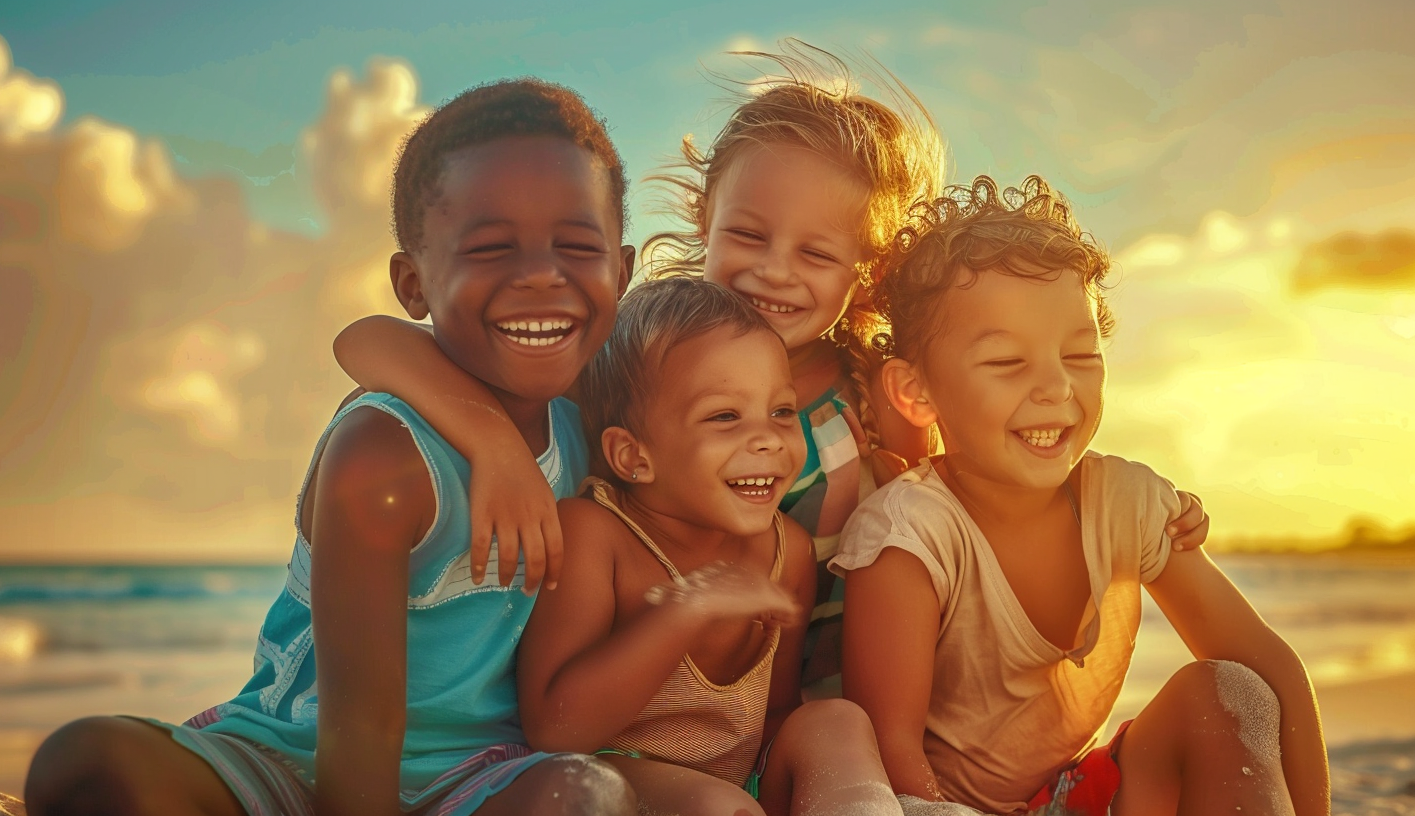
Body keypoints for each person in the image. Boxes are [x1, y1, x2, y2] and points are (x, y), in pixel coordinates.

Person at [328, 42, 1209, 692]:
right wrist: (488, 440)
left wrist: (1138, 511)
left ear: (864, 269)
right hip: (641, 683)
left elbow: (996, 472)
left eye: (817, 255)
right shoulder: (643, 348)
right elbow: (367, 342)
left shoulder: (872, 393)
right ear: (705, 215)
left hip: (819, 689)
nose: (774, 270)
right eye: (747, 235)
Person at [24, 79, 638, 816]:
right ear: (414, 284)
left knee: (590, 797)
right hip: (294, 759)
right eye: (489, 247)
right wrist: (490, 444)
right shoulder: (384, 454)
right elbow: (360, 727)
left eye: (576, 245)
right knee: (88, 763)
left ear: (623, 273)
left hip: (482, 775)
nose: (541, 272)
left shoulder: (591, 423)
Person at [835, 176, 1330, 816]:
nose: (1055, 388)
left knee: (1233, 694)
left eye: (1079, 354)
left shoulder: (1125, 502)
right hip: (940, 809)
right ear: (916, 392)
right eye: (1007, 363)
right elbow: (888, 759)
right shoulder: (908, 535)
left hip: (1076, 796)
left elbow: (1272, 669)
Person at [517, 276, 900, 816]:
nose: (768, 438)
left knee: (835, 720)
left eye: (782, 411)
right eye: (725, 416)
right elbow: (553, 730)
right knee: (716, 805)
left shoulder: (785, 552)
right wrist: (685, 609)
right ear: (633, 457)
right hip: (615, 781)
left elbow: (775, 713)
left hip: (740, 785)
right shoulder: (597, 534)